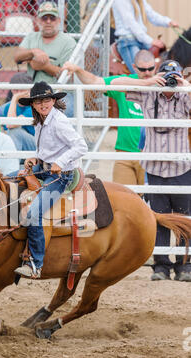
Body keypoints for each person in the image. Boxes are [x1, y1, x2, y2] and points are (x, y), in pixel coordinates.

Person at [122, 59, 191, 282]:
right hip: (155, 168)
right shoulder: (149, 93)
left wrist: (185, 87)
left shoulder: (186, 95)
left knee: (184, 219)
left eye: (174, 75)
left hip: (181, 168)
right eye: (166, 75)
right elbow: (120, 85)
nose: (170, 81)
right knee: (159, 219)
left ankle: (185, 266)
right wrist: (149, 81)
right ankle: (160, 266)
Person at [14, 81, 88, 279]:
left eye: (46, 100)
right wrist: (36, 158)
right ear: (33, 105)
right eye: (38, 101)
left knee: (33, 214)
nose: (43, 104)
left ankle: (36, 264)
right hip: (44, 168)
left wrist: (61, 162)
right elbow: (47, 149)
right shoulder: (40, 120)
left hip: (60, 175)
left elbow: (81, 146)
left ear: (54, 100)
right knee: (10, 182)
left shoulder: (59, 121)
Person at [62, 49, 157, 186]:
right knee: (123, 199)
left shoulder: (162, 84)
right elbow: (94, 82)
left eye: (151, 68)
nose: (147, 73)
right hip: (125, 153)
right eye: (143, 69)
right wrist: (77, 69)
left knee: (153, 200)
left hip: (152, 154)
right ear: (134, 67)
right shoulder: (125, 82)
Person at [14, 1, 76, 117]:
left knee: (65, 110)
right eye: (44, 18)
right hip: (33, 92)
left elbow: (69, 77)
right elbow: (17, 56)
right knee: (4, 112)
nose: (48, 22)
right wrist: (33, 52)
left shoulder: (68, 42)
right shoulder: (31, 37)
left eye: (52, 18)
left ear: (58, 21)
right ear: (38, 20)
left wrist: (45, 66)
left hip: (58, 92)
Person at [112, 0, 178, 74]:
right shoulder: (121, 1)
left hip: (141, 40)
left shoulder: (140, 1)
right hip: (128, 41)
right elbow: (131, 24)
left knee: (163, 60)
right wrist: (150, 41)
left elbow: (152, 15)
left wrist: (167, 22)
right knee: (141, 71)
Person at [0, 72, 36, 155]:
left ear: (30, 90)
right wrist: (14, 101)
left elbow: (11, 124)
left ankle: (11, 164)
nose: (18, 93)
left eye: (22, 90)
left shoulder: (36, 105)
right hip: (18, 146)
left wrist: (15, 98)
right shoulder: (7, 107)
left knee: (15, 131)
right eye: (15, 90)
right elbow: (5, 131)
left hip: (36, 147)